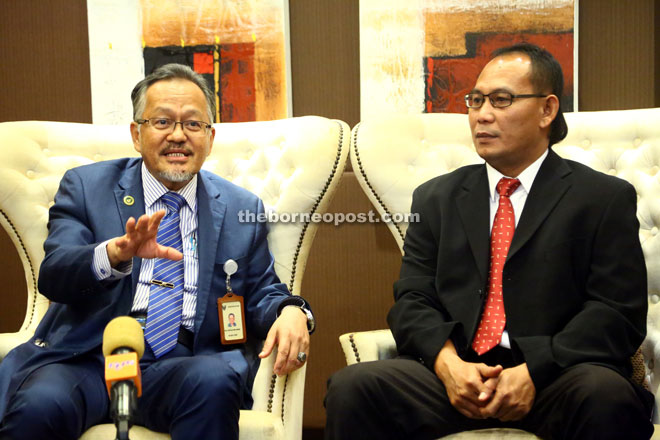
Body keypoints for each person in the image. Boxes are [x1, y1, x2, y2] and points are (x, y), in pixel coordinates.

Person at [325, 43, 654, 440]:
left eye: (502, 100)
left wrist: (535, 369)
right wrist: (448, 365)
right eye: (476, 100)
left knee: (605, 395)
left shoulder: (601, 198)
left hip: (558, 379)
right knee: (355, 387)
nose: (482, 115)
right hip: (457, 380)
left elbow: (615, 312)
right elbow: (413, 299)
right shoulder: (435, 198)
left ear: (547, 110)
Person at [0, 63, 314, 440]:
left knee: (215, 380)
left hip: (184, 364)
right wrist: (114, 255)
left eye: (193, 124)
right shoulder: (86, 186)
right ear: (137, 134)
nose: (178, 136)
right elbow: (55, 273)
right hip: (86, 358)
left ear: (210, 138)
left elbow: (262, 289)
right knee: (39, 406)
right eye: (162, 122)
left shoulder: (238, 207)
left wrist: (291, 309)